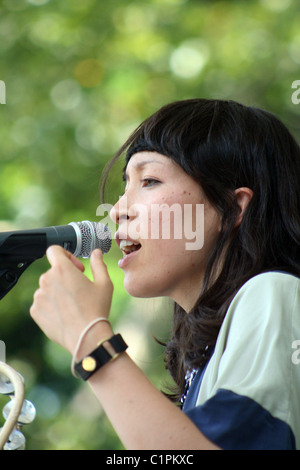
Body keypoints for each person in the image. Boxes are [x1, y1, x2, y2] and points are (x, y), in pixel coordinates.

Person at [29, 99, 300, 450]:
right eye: (125, 186)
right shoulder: (209, 349)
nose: (119, 211)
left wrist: (91, 339)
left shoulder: (274, 292)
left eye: (150, 180)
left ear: (233, 207)